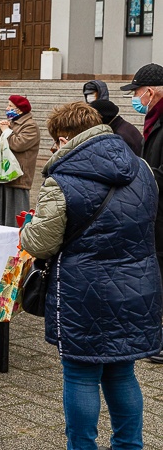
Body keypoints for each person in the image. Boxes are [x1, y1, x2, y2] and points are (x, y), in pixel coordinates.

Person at [20, 102, 162, 450]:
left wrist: (26, 230)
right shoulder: (141, 168)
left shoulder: (62, 180)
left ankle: (82, 446)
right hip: (137, 286)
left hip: (84, 291)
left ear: (65, 137)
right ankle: (129, 445)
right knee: (122, 371)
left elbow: (40, 241)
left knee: (81, 373)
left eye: (56, 142)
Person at [121, 63, 163, 364]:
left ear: (149, 91)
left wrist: (142, 176)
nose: (135, 98)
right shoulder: (154, 120)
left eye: (136, 92)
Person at [0, 95, 40, 226]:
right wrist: (0, 130)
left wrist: (6, 131)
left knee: (15, 217)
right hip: (2, 175)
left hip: (18, 178)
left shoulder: (30, 126)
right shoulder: (10, 123)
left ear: (20, 110)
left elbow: (18, 144)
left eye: (10, 106)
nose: (7, 108)